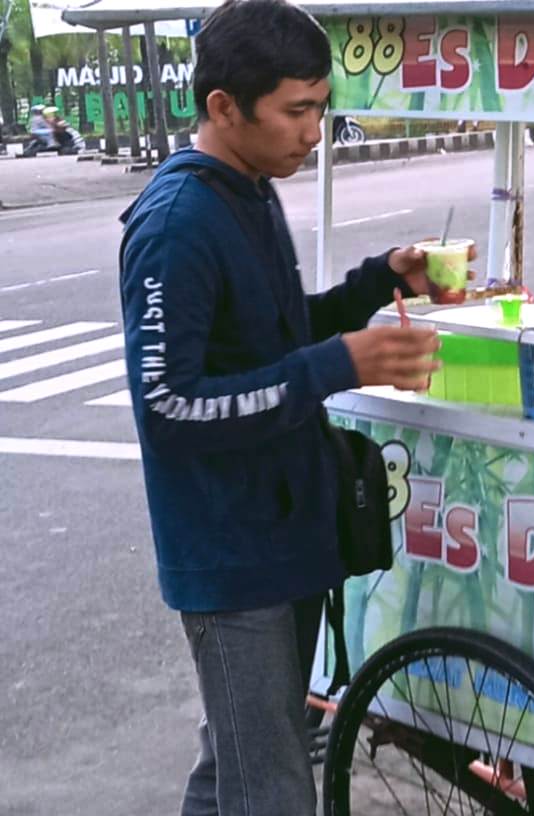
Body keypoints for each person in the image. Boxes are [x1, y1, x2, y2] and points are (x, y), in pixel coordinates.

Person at [117, 1, 444, 813]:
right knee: (271, 788)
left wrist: (377, 282)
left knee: (234, 766)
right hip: (232, 557)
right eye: (296, 111)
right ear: (224, 106)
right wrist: (336, 365)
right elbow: (167, 409)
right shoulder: (176, 225)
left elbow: (271, 331)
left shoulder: (250, 187)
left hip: (284, 531)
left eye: (322, 109)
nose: (313, 131)